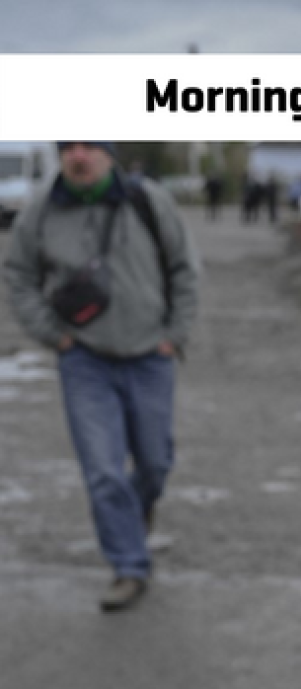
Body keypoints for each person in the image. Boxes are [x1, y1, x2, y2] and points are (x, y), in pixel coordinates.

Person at [3, 141, 202, 613]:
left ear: (108, 154)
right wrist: (54, 336)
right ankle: (129, 566)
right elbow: (19, 276)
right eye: (69, 147)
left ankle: (135, 515)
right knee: (103, 470)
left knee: (155, 463)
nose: (79, 155)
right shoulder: (40, 212)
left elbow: (184, 268)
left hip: (150, 355)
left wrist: (174, 334)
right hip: (85, 360)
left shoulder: (148, 200)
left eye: (90, 145)